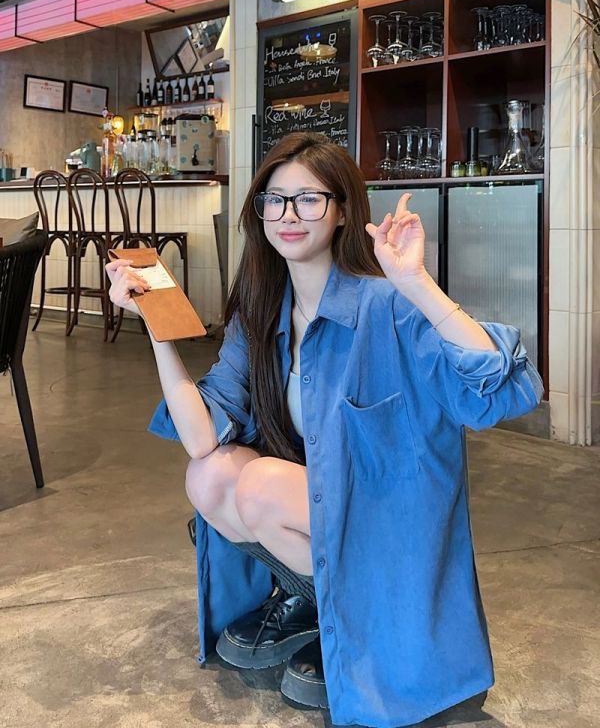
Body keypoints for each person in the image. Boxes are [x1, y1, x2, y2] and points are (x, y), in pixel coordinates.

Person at [106, 132, 543, 728]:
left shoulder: (386, 304)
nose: (288, 215)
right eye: (275, 200)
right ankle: (321, 610)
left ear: (341, 212)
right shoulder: (260, 313)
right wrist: (157, 328)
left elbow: (501, 389)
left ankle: (363, 628)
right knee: (208, 478)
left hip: (393, 523)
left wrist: (416, 282)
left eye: (309, 199)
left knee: (259, 484)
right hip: (326, 509)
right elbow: (202, 438)